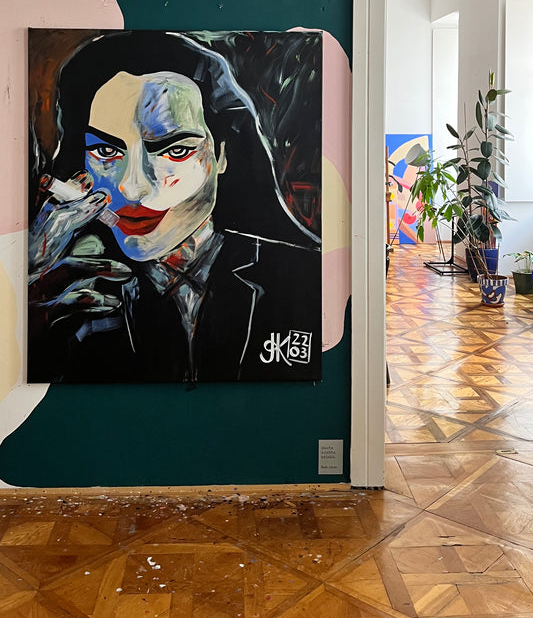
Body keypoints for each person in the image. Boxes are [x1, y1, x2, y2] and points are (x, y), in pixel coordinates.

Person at [27, 30, 321, 385]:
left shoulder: (306, 276)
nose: (132, 188)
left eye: (175, 150)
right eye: (106, 151)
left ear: (222, 153)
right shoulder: (62, 293)